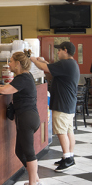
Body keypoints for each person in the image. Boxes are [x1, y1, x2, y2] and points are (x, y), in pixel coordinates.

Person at [0, 50, 43, 185]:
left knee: (29, 152)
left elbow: (6, 90)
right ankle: (36, 181)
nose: (9, 64)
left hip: (26, 119)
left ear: (18, 63)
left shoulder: (23, 78)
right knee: (20, 152)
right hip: (29, 117)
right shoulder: (25, 76)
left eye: (11, 61)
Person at [30, 41, 79, 171]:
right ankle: (69, 156)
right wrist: (44, 61)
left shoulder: (65, 63)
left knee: (61, 132)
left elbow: (44, 68)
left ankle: (67, 159)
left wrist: (33, 60)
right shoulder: (71, 63)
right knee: (68, 131)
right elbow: (50, 67)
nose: (57, 52)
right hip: (69, 103)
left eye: (59, 50)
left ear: (65, 50)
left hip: (62, 104)